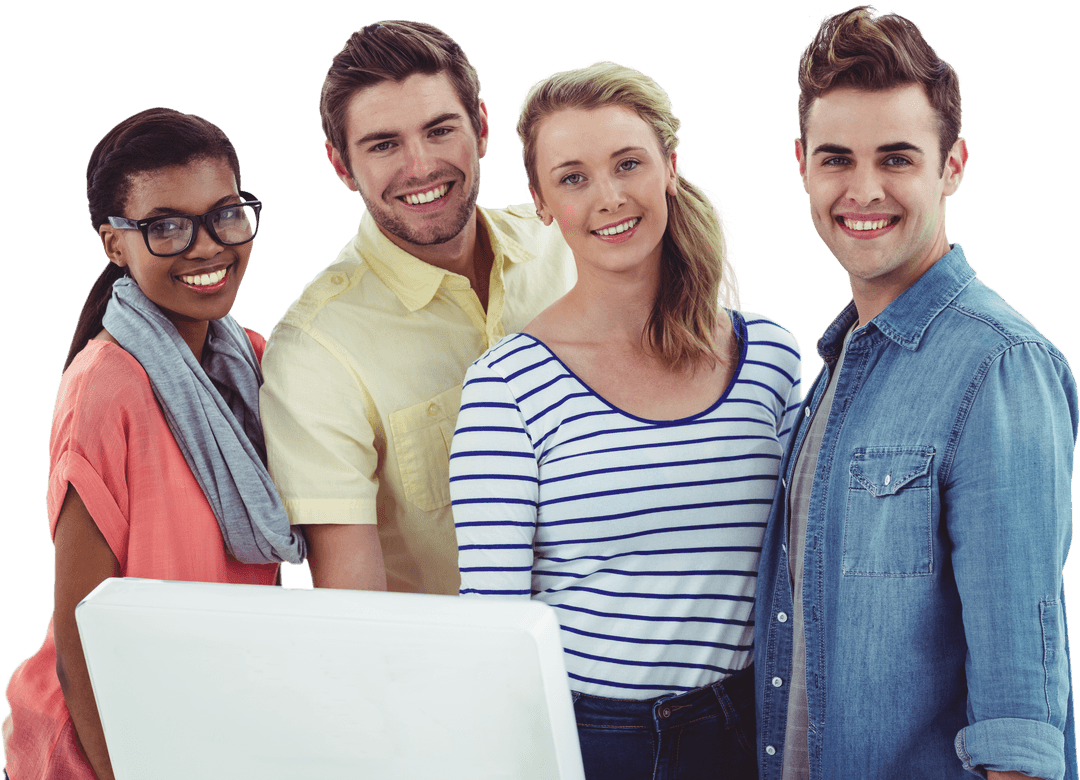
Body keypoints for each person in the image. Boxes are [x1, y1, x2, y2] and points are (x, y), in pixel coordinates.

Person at [450, 61, 802, 780]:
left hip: (752, 725)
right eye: (573, 177)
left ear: (671, 165)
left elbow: (800, 563)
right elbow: (493, 630)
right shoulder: (506, 387)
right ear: (542, 202)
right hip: (597, 739)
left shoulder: (770, 354)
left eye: (629, 163)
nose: (609, 197)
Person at [754, 7, 1078, 780]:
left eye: (896, 158)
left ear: (953, 166)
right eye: (837, 159)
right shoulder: (838, 365)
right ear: (802, 164)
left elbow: (1018, 710)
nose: (863, 190)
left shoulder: (998, 364)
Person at [1, 108, 303, 780]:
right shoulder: (106, 386)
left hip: (203, 725)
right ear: (114, 244)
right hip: (99, 748)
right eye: (166, 227)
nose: (207, 247)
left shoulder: (250, 363)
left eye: (225, 213)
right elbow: (83, 633)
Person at [259, 20, 575, 595]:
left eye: (439, 130)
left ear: (480, 127)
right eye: (383, 145)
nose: (421, 166)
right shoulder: (315, 353)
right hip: (459, 678)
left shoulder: (570, 248)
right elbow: (356, 608)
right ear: (340, 165)